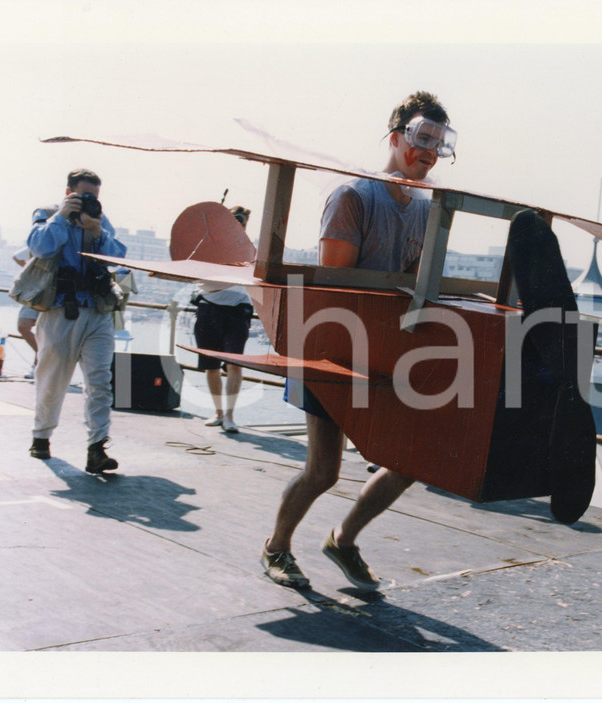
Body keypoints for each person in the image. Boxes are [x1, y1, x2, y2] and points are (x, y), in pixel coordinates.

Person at [262, 91, 456, 590]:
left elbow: (413, 282)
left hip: (382, 354)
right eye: (421, 138)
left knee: (408, 462)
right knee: (323, 471)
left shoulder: (424, 207)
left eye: (440, 142)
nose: (430, 150)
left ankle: (343, 540)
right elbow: (332, 284)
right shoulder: (353, 196)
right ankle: (277, 547)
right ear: (395, 139)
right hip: (331, 350)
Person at [26, 168, 127, 474]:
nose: (88, 201)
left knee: (100, 381)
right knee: (52, 379)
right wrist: (61, 217)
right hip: (60, 309)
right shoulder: (47, 214)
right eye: (82, 195)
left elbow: (119, 261)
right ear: (69, 191)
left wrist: (97, 232)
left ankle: (97, 448)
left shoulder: (99, 219)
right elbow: (38, 247)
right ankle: (41, 436)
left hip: (97, 310)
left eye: (94, 197)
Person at [193, 206, 255, 433]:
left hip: (237, 310)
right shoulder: (208, 245)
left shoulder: (249, 249)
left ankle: (229, 415)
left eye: (242, 223)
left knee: (234, 365)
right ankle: (219, 413)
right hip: (209, 308)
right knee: (210, 365)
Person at [12, 246, 40, 378]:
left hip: (53, 291)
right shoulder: (38, 241)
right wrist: (29, 269)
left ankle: (37, 367)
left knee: (43, 331)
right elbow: (16, 256)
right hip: (33, 290)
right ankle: (42, 355)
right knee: (23, 326)